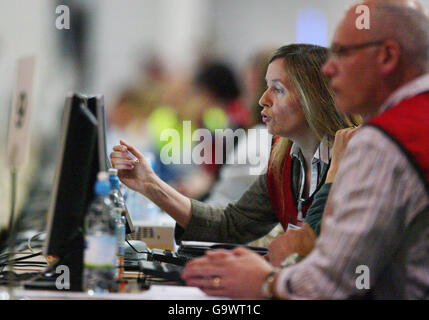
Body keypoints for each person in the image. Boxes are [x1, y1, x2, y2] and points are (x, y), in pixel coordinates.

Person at [181, 0, 429, 299]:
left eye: (343, 53)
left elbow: (335, 279)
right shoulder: (407, 125)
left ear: (388, 56)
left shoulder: (383, 141)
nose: (330, 68)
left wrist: (265, 281)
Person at [110, 44, 359, 256]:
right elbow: (232, 225)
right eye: (266, 86)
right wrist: (150, 184)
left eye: (278, 89)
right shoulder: (285, 161)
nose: (263, 99)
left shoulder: (356, 159)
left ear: (313, 100)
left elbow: (322, 247)